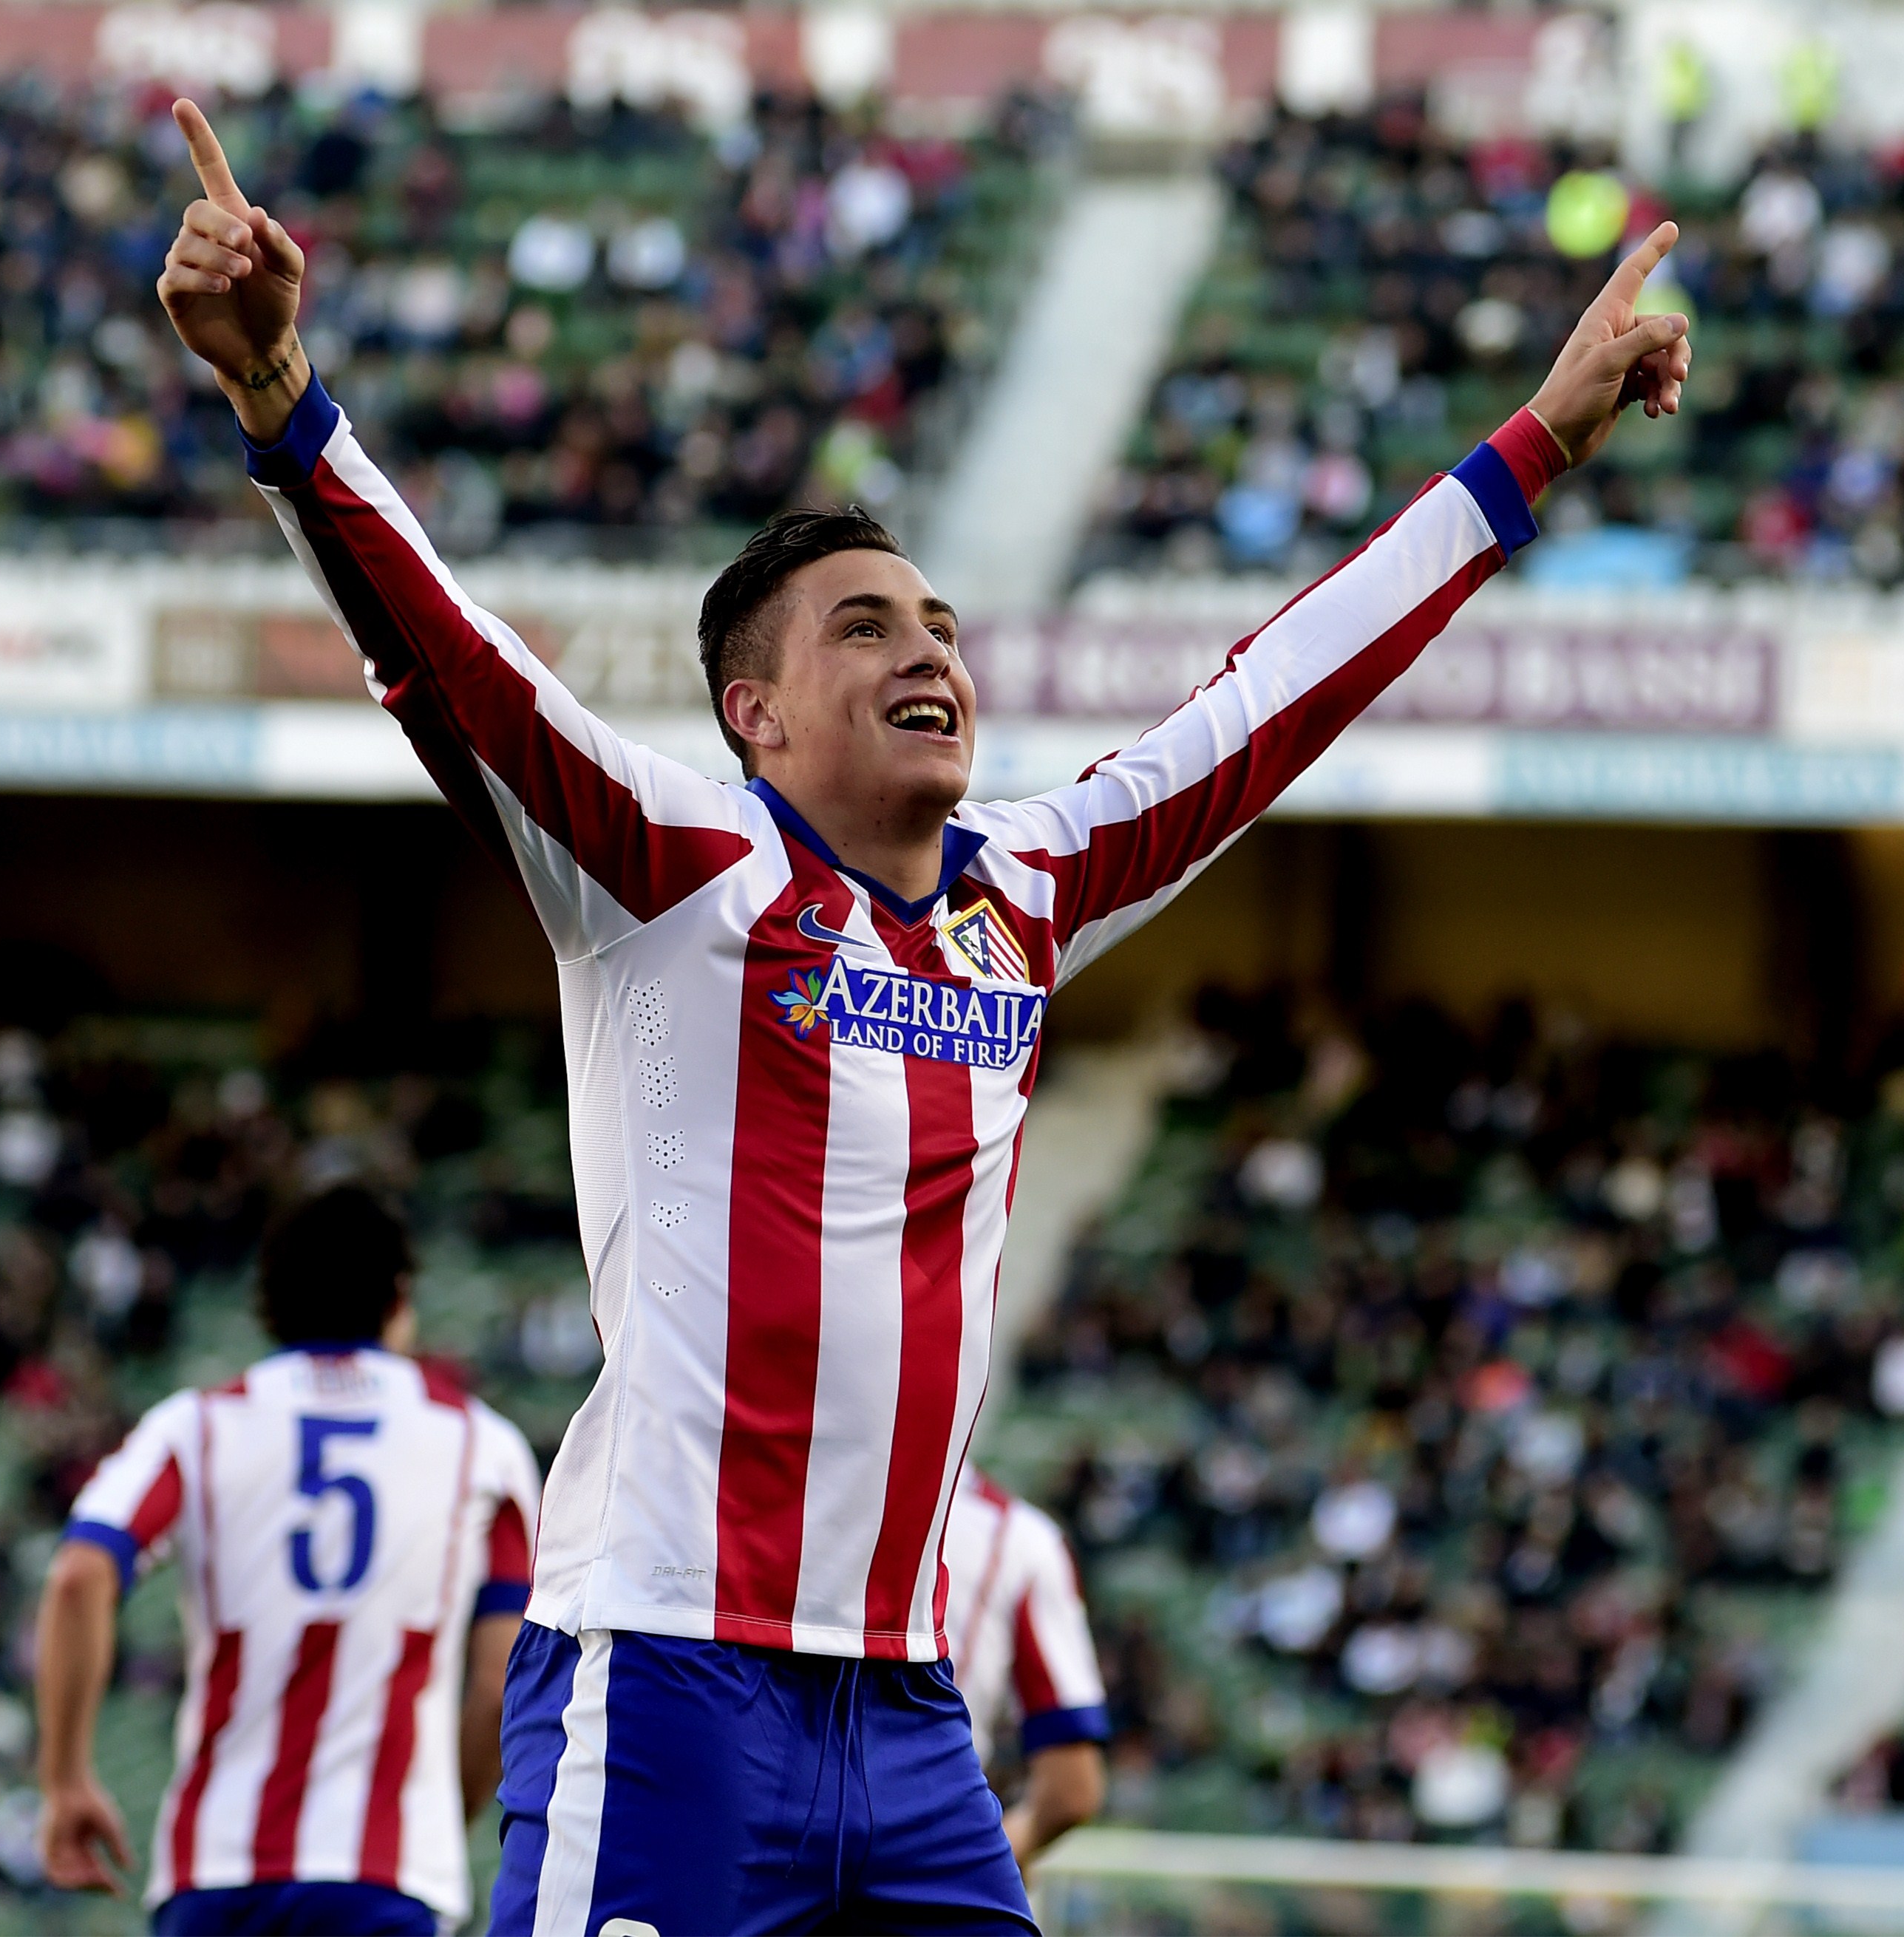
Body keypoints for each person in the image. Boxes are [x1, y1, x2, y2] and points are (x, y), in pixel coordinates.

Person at [151, 98, 1695, 1936]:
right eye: (869, 627)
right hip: (663, 1670)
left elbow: (1277, 690)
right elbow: (453, 658)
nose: (932, 655)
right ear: (755, 711)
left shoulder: (1024, 895)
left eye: (942, 624)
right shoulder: (673, 870)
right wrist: (284, 406)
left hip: (902, 1713)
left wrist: (1538, 446)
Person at [35, 1185, 540, 1936]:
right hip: (383, 1870)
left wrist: (65, 1777)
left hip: (215, 1868)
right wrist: (439, 1814)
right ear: (398, 1297)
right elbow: (501, 1683)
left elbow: (79, 1574)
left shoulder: (195, 1424)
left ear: (267, 1301)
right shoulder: (483, 1445)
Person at [938, 1468, 1107, 1868]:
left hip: (769, 1828)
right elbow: (1072, 1790)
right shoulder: (1018, 1536)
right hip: (923, 1828)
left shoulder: (775, 1492)